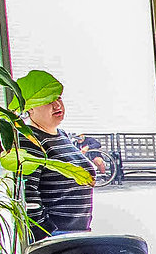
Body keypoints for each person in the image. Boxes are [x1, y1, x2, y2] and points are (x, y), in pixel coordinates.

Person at [18, 70, 98, 238]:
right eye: (48, 101)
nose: (57, 105)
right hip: (57, 237)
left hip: (77, 233)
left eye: (59, 98)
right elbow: (27, 194)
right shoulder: (29, 139)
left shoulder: (62, 135)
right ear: (29, 107)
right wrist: (46, 234)